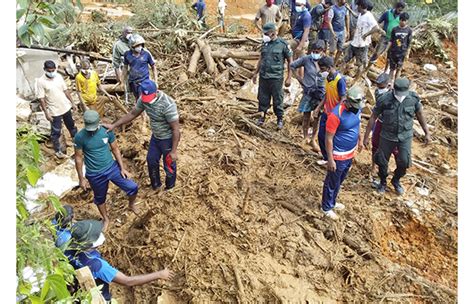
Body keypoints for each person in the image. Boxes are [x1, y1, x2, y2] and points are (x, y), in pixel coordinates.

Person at [67, 220, 174, 301]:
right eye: (97, 235)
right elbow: (128, 281)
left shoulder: (66, 250)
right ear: (90, 244)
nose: (101, 234)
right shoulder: (97, 266)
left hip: (79, 293)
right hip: (98, 298)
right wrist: (159, 274)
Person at [103, 80, 181, 191]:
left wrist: (174, 151)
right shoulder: (144, 99)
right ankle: (156, 186)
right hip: (156, 136)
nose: (147, 102)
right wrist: (114, 125)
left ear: (156, 92)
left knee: (169, 165)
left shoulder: (168, 105)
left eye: (149, 98)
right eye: (145, 98)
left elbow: (176, 129)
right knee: (151, 160)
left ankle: (170, 188)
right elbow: (133, 113)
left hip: (168, 139)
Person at [363, 78, 431, 195]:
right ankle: (383, 182)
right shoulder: (384, 99)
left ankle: (396, 180)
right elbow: (373, 117)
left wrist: (427, 133)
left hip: (405, 137)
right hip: (387, 136)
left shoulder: (413, 99)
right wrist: (366, 136)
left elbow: (420, 114)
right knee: (382, 161)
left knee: (404, 161)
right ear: (394, 88)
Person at [74, 110, 139, 231]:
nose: (92, 131)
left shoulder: (106, 131)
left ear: (99, 122)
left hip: (111, 168)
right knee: (99, 198)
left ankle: (131, 204)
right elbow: (78, 157)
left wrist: (122, 168)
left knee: (132, 187)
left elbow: (115, 149)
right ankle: (105, 218)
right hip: (94, 173)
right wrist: (81, 178)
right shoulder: (80, 137)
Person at [320, 86, 364, 220]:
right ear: (347, 101)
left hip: (349, 153)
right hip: (338, 155)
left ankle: (332, 202)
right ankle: (326, 207)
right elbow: (328, 138)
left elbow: (358, 124)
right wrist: (330, 159)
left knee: (339, 180)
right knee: (332, 181)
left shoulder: (357, 109)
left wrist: (360, 140)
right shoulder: (336, 115)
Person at [252, 22, 293, 130]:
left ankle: (279, 119)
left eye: (266, 33)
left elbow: (290, 61)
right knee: (262, 98)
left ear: (273, 33)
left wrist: (289, 77)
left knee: (277, 99)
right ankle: (261, 117)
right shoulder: (265, 44)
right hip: (264, 76)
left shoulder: (283, 44)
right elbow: (261, 59)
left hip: (276, 77)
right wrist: (255, 73)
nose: (264, 35)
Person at [37, 60, 78, 159]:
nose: (51, 72)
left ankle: (77, 143)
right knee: (56, 131)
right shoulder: (41, 81)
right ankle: (58, 150)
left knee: (72, 127)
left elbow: (65, 90)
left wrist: (72, 102)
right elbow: (41, 99)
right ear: (45, 70)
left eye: (53, 70)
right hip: (54, 111)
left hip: (65, 107)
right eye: (49, 70)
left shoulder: (58, 77)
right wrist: (46, 113)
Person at [290, 40, 326, 151]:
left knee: (316, 118)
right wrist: (300, 79)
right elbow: (292, 65)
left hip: (320, 94)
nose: (315, 53)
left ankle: (313, 139)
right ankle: (305, 137)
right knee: (306, 116)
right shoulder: (306, 59)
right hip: (308, 92)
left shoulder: (325, 61)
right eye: (313, 51)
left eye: (317, 51)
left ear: (322, 51)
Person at [368, 73, 398, 186]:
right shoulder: (385, 95)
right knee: (387, 148)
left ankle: (373, 167)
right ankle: (380, 168)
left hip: (380, 122)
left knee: (376, 147)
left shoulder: (378, 91)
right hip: (385, 124)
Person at [342, 0, 383, 83]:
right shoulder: (361, 14)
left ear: (361, 6)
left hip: (362, 45)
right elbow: (356, 16)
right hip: (355, 42)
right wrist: (349, 9)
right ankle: (339, 75)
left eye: (358, 6)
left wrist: (366, 34)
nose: (357, 7)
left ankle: (355, 81)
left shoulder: (369, 16)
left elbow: (376, 28)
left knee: (360, 65)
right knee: (345, 59)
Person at [315, 56, 347, 162]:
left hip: (334, 114)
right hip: (326, 111)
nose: (321, 71)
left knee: (331, 137)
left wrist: (336, 112)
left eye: (323, 69)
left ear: (329, 68)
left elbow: (343, 98)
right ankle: (326, 158)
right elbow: (327, 95)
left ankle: (333, 159)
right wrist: (318, 107)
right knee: (321, 135)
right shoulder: (328, 78)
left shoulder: (340, 80)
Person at [368, 1, 405, 70]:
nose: (400, 12)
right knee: (377, 53)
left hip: (394, 39)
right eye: (399, 10)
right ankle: (367, 69)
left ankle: (385, 71)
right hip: (384, 37)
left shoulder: (401, 16)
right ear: (396, 7)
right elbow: (378, 23)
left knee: (390, 56)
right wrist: (380, 30)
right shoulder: (387, 13)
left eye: (401, 10)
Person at [122, 34, 157, 101]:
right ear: (132, 46)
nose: (139, 47)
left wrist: (155, 81)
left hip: (144, 81)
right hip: (133, 81)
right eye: (137, 45)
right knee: (137, 99)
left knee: (143, 99)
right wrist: (122, 80)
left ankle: (144, 110)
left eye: (140, 45)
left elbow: (153, 66)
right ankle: (140, 110)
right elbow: (125, 68)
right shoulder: (127, 54)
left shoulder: (146, 54)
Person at [386, 12, 412, 84]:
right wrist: (386, 49)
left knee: (399, 69)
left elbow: (409, 43)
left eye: (404, 20)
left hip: (402, 53)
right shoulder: (394, 29)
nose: (403, 22)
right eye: (401, 20)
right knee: (391, 68)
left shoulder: (409, 30)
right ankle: (389, 83)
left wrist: (407, 54)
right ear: (399, 20)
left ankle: (396, 83)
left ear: (407, 21)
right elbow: (391, 40)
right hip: (393, 52)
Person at [330, 0, 349, 64]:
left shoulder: (345, 8)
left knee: (341, 49)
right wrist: (332, 33)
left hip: (342, 31)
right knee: (332, 51)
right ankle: (330, 65)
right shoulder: (332, 9)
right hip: (335, 31)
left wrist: (347, 31)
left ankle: (334, 64)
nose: (345, 1)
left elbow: (347, 19)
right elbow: (329, 22)